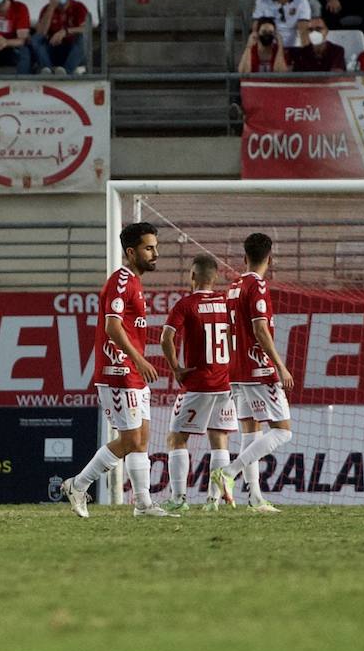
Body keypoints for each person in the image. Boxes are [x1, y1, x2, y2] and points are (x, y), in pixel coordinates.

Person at [59, 222, 172, 518]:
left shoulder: (134, 281)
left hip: (130, 372)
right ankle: (78, 485)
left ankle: (143, 504)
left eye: (156, 247)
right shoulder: (121, 280)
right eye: (149, 248)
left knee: (142, 439)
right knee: (131, 440)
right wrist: (139, 359)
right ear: (131, 252)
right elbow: (112, 326)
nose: (155, 253)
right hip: (118, 370)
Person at [206, 233, 294, 513]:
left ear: (244, 258)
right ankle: (229, 472)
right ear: (270, 259)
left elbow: (232, 328)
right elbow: (259, 329)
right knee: (283, 431)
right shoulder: (257, 286)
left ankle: (255, 497)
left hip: (237, 369)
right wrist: (280, 365)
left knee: (251, 431)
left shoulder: (234, 285)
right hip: (258, 368)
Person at [159, 254, 234, 513]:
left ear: (193, 275)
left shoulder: (186, 304)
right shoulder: (227, 303)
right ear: (216, 277)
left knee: (176, 438)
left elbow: (165, 339)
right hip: (224, 384)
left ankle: (179, 499)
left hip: (198, 384)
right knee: (219, 438)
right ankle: (213, 501)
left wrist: (176, 368)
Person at [30, 0, 88, 75]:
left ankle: (66, 72)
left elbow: (86, 28)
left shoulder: (78, 7)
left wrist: (65, 32)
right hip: (53, 49)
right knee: (35, 39)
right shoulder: (47, 9)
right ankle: (47, 70)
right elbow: (41, 33)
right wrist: (51, 8)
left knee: (81, 38)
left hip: (72, 50)